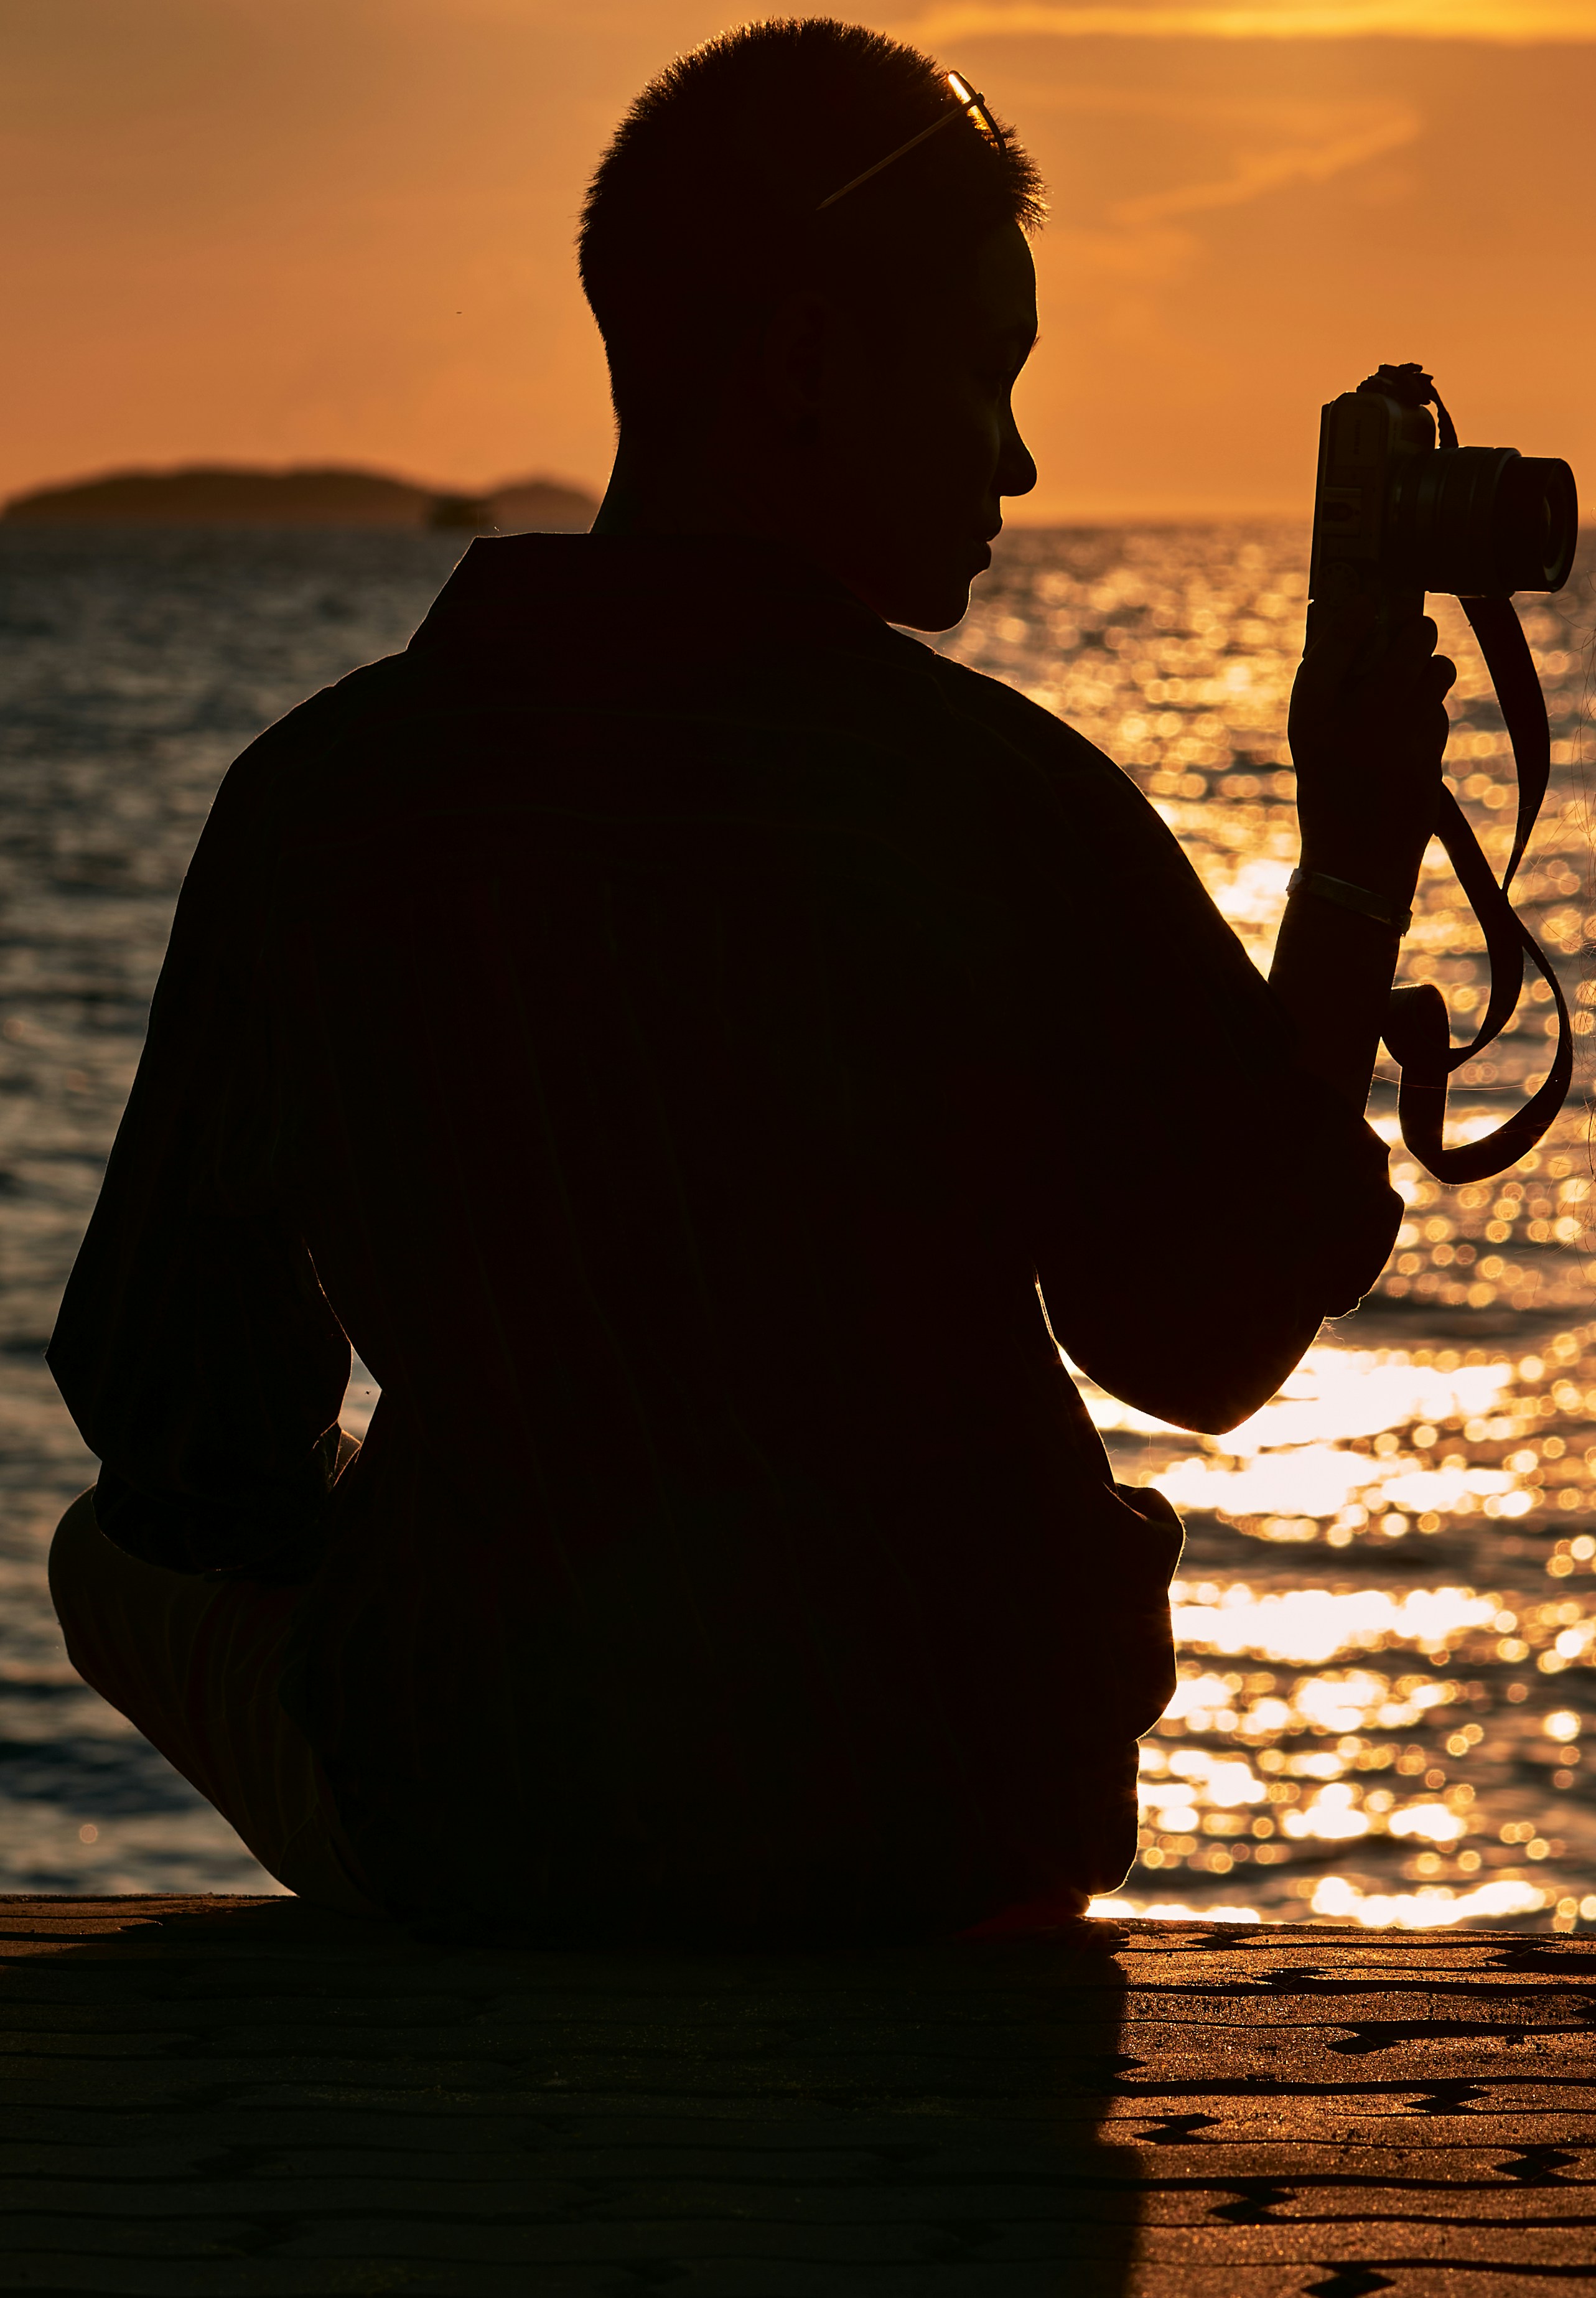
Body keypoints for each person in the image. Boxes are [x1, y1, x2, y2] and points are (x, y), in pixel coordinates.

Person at [47, 19, 1448, 1941]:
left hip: (501, 1809)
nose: (1022, 460)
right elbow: (1204, 1338)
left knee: (98, 1557)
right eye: (986, 376)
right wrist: (1355, 865)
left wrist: (445, 1551)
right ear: (801, 364)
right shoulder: (997, 792)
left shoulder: (322, 798)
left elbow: (168, 1398)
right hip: (956, 1810)